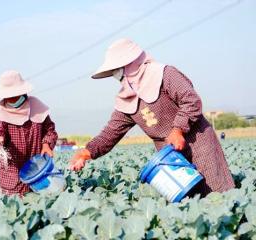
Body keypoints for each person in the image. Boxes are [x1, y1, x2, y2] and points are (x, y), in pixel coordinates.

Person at [69, 38, 235, 197]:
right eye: (114, 73)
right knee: (185, 202)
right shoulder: (127, 99)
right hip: (169, 156)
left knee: (216, 195)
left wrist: (178, 129)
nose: (118, 77)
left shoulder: (165, 75)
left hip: (199, 143)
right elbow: (110, 133)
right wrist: (86, 152)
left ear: (131, 64)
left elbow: (191, 101)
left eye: (118, 71)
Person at [0, 70, 58, 196]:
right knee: (13, 208)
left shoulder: (37, 106)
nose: (12, 98)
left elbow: (49, 130)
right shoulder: (1, 112)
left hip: (36, 168)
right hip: (12, 172)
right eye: (9, 96)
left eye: (15, 94)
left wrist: (46, 144)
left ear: (23, 92)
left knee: (41, 203)